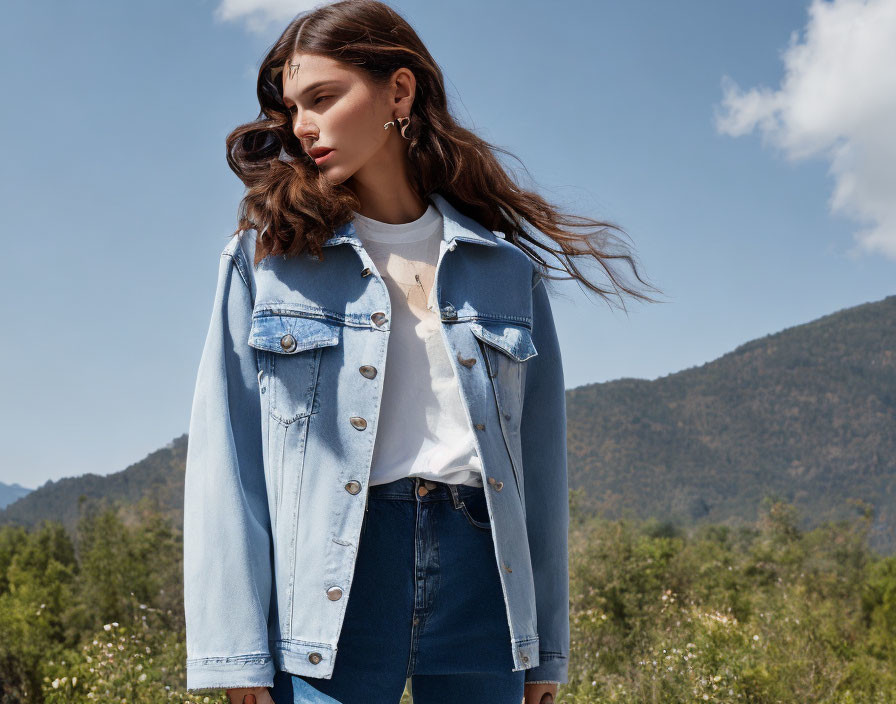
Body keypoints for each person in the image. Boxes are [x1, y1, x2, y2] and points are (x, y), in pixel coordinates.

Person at [182, 2, 658, 703]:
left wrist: (546, 647)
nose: (303, 126)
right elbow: (229, 458)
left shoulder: (505, 270)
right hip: (331, 589)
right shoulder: (270, 260)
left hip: (482, 582)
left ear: (398, 92)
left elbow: (539, 465)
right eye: (292, 109)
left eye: (323, 97)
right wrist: (235, 653)